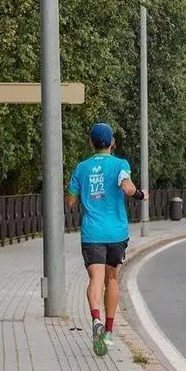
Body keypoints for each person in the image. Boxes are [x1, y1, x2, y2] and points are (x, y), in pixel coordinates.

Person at [66, 123, 148, 357]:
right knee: (112, 279)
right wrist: (139, 193)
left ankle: (95, 319)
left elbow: (71, 203)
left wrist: (79, 192)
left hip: (92, 233)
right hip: (117, 233)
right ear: (112, 143)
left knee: (95, 278)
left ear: (91, 143)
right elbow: (127, 187)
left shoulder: (81, 168)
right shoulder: (121, 165)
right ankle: (110, 332)